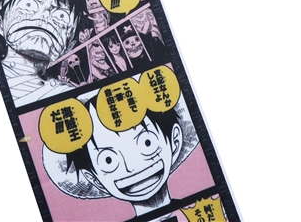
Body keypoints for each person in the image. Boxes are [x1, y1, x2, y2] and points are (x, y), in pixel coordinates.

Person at [42, 87, 198, 220]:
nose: (131, 167)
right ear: (94, 179)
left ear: (174, 142)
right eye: (108, 160)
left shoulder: (198, 208)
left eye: (147, 142)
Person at [0, 0, 88, 107]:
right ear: (0, 23)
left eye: (61, 15)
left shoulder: (71, 97)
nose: (44, 17)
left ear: (70, 45)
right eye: (28, 4)